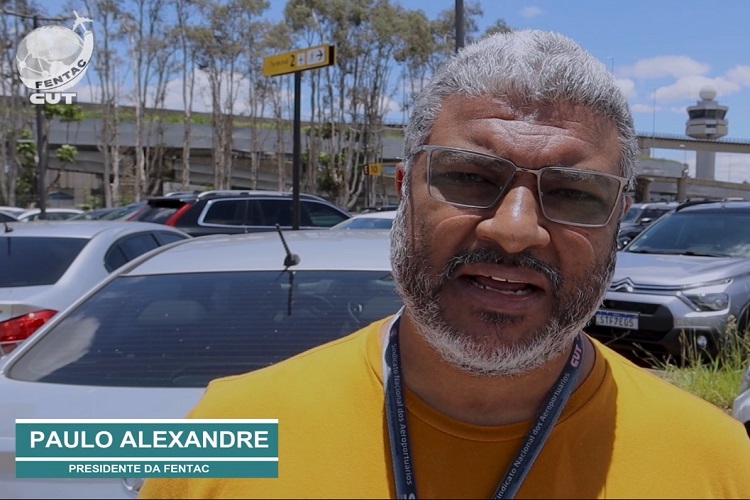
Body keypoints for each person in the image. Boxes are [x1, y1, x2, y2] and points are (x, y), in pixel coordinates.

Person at [139, 29, 750, 499]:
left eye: (573, 193)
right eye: (469, 178)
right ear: (404, 191)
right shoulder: (231, 430)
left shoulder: (716, 464)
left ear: (619, 219)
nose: (514, 230)